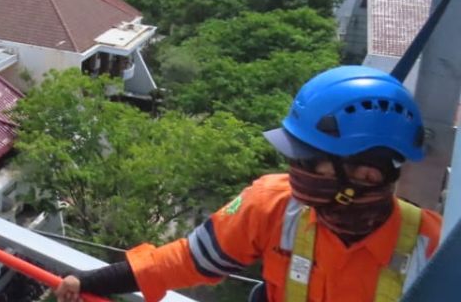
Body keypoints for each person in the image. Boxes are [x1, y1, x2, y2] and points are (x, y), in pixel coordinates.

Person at [55, 66, 441, 302]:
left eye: (308, 161)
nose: (294, 171)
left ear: (367, 176)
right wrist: (91, 281)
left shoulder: (435, 251)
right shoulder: (273, 206)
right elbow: (190, 260)